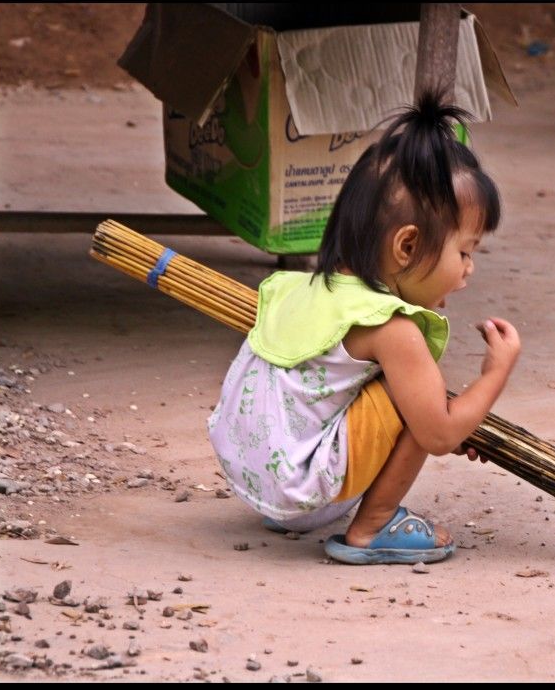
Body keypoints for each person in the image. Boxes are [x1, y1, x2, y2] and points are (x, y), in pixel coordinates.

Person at [208, 89, 520, 565]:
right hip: (303, 489)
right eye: (465, 252)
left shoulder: (298, 288)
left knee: (409, 391)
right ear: (407, 246)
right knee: (423, 399)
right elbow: (438, 436)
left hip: (251, 474)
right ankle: (373, 527)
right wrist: (495, 373)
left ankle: (297, 510)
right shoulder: (393, 329)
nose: (469, 269)